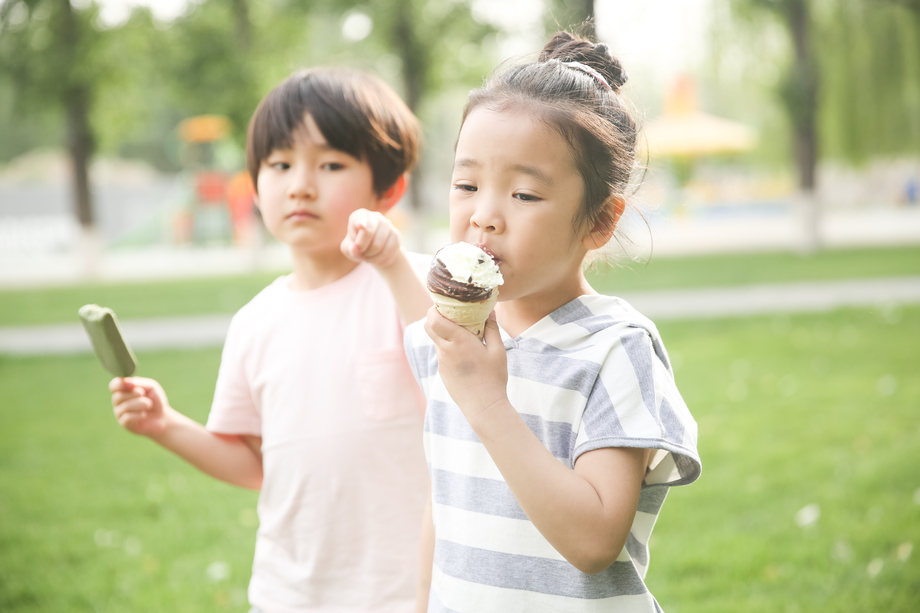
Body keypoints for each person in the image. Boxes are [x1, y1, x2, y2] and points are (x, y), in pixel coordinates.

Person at [110, 67, 432, 613]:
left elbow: (458, 372)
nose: (300, 184)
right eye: (279, 164)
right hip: (292, 592)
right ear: (255, 186)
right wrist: (165, 425)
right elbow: (256, 463)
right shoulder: (255, 323)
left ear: (389, 188)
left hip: (407, 590)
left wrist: (393, 260)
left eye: (331, 164)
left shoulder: (409, 284)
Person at [404, 32, 702, 612]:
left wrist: (488, 403)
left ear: (598, 221)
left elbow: (594, 540)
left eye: (523, 194)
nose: (484, 216)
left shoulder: (614, 351)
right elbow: (446, 498)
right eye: (466, 185)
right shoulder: (443, 339)